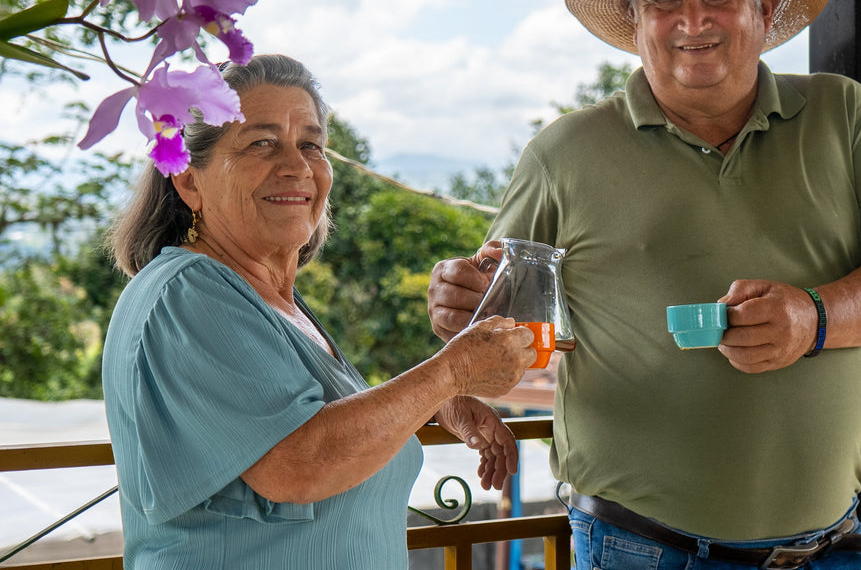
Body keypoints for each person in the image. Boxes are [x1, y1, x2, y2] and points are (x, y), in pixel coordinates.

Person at [427, 0, 861, 569]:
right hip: (638, 549)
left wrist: (813, 317)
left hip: (828, 550)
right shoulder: (565, 152)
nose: (691, 20)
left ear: (763, 8)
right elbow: (491, 322)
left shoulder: (842, 115)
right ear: (637, 23)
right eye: (664, 0)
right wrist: (455, 310)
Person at [101, 54, 537, 569]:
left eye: (311, 145)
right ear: (189, 182)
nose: (297, 166)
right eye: (261, 143)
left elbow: (310, 419)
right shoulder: (187, 294)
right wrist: (451, 372)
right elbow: (299, 462)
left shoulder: (268, 300)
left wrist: (434, 403)